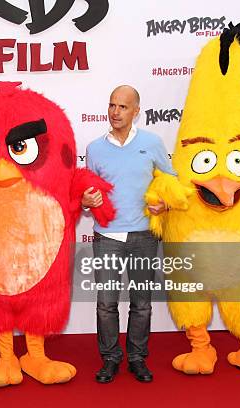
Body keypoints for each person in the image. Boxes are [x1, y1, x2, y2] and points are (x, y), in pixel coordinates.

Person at [83, 85, 173, 383]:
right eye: (112, 105)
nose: (115, 112)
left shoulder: (152, 143)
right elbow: (86, 191)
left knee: (142, 303)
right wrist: (86, 201)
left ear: (136, 111)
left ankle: (137, 358)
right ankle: (110, 358)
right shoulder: (95, 148)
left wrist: (165, 202)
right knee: (106, 303)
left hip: (144, 236)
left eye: (122, 107)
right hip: (106, 237)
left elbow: (171, 181)